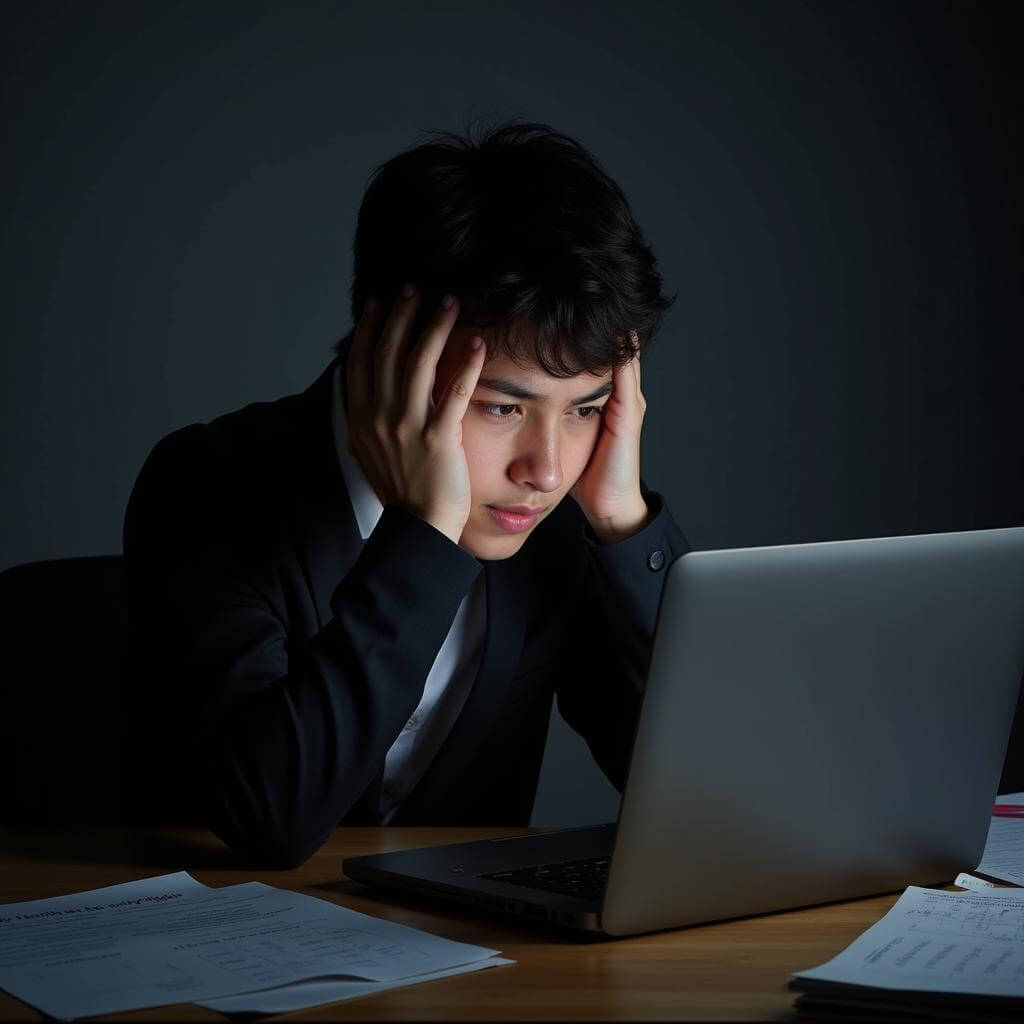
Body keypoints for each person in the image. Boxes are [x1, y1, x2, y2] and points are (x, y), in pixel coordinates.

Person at [122, 119, 691, 867]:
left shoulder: (559, 520)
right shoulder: (207, 485)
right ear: (385, 353)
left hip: (474, 966)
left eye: (585, 409)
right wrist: (423, 535)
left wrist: (624, 528)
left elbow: (701, 790)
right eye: (502, 407)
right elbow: (269, 819)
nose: (546, 469)